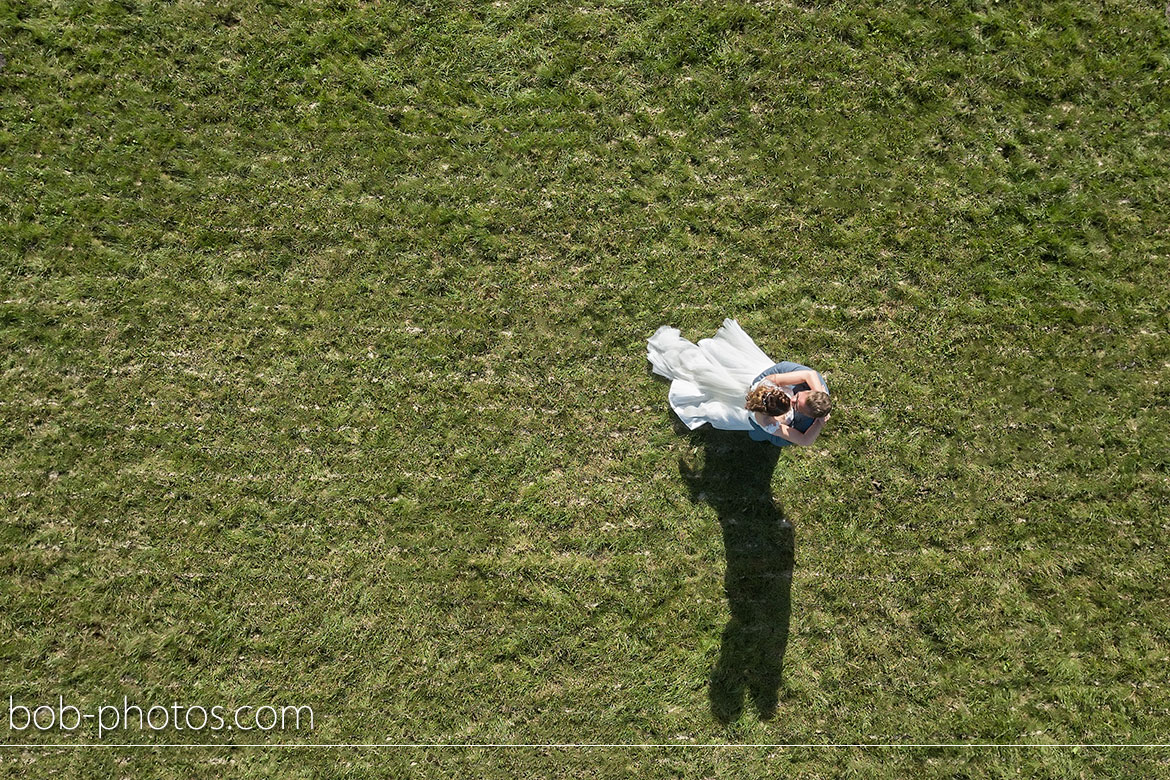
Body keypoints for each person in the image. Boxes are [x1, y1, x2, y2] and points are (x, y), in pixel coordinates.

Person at [647, 318, 831, 447]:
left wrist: (818, 408)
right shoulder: (770, 422)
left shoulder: (769, 387)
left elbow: (796, 376)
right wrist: (820, 419)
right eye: (796, 397)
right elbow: (805, 440)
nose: (791, 400)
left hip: (749, 390)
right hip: (747, 399)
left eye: (796, 406)